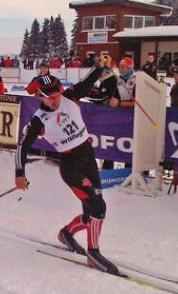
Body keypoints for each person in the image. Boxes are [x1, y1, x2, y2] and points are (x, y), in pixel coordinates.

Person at [16, 61, 120, 275]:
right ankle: (94, 253)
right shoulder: (38, 120)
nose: (56, 100)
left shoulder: (70, 96)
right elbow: (22, 146)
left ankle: (66, 233)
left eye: (57, 95)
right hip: (71, 166)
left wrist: (101, 66)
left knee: (91, 212)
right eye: (50, 97)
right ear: (40, 96)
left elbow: (88, 80)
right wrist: (20, 174)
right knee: (98, 207)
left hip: (88, 158)